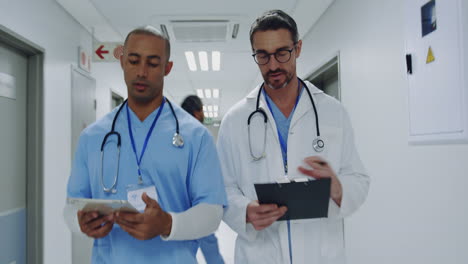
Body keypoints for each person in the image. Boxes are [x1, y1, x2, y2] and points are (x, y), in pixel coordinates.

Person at [216, 10, 370, 264]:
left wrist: (338, 188)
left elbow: (359, 179)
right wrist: (244, 211)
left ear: (297, 48)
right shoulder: (235, 120)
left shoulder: (332, 111)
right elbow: (222, 188)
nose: (273, 65)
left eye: (282, 53)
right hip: (260, 253)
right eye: (263, 56)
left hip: (320, 253)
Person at [66, 26, 227, 263]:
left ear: (167, 68)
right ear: (122, 61)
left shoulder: (196, 136)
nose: (141, 72)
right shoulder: (93, 137)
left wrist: (168, 224)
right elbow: (71, 207)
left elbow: (212, 213)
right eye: (133, 61)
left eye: (152, 63)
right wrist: (80, 222)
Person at [181, 95, 225, 264]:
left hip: (180, 200)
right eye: (202, 110)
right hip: (199, 198)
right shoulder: (199, 134)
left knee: (185, 245)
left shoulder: (175, 131)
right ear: (197, 111)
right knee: (208, 242)